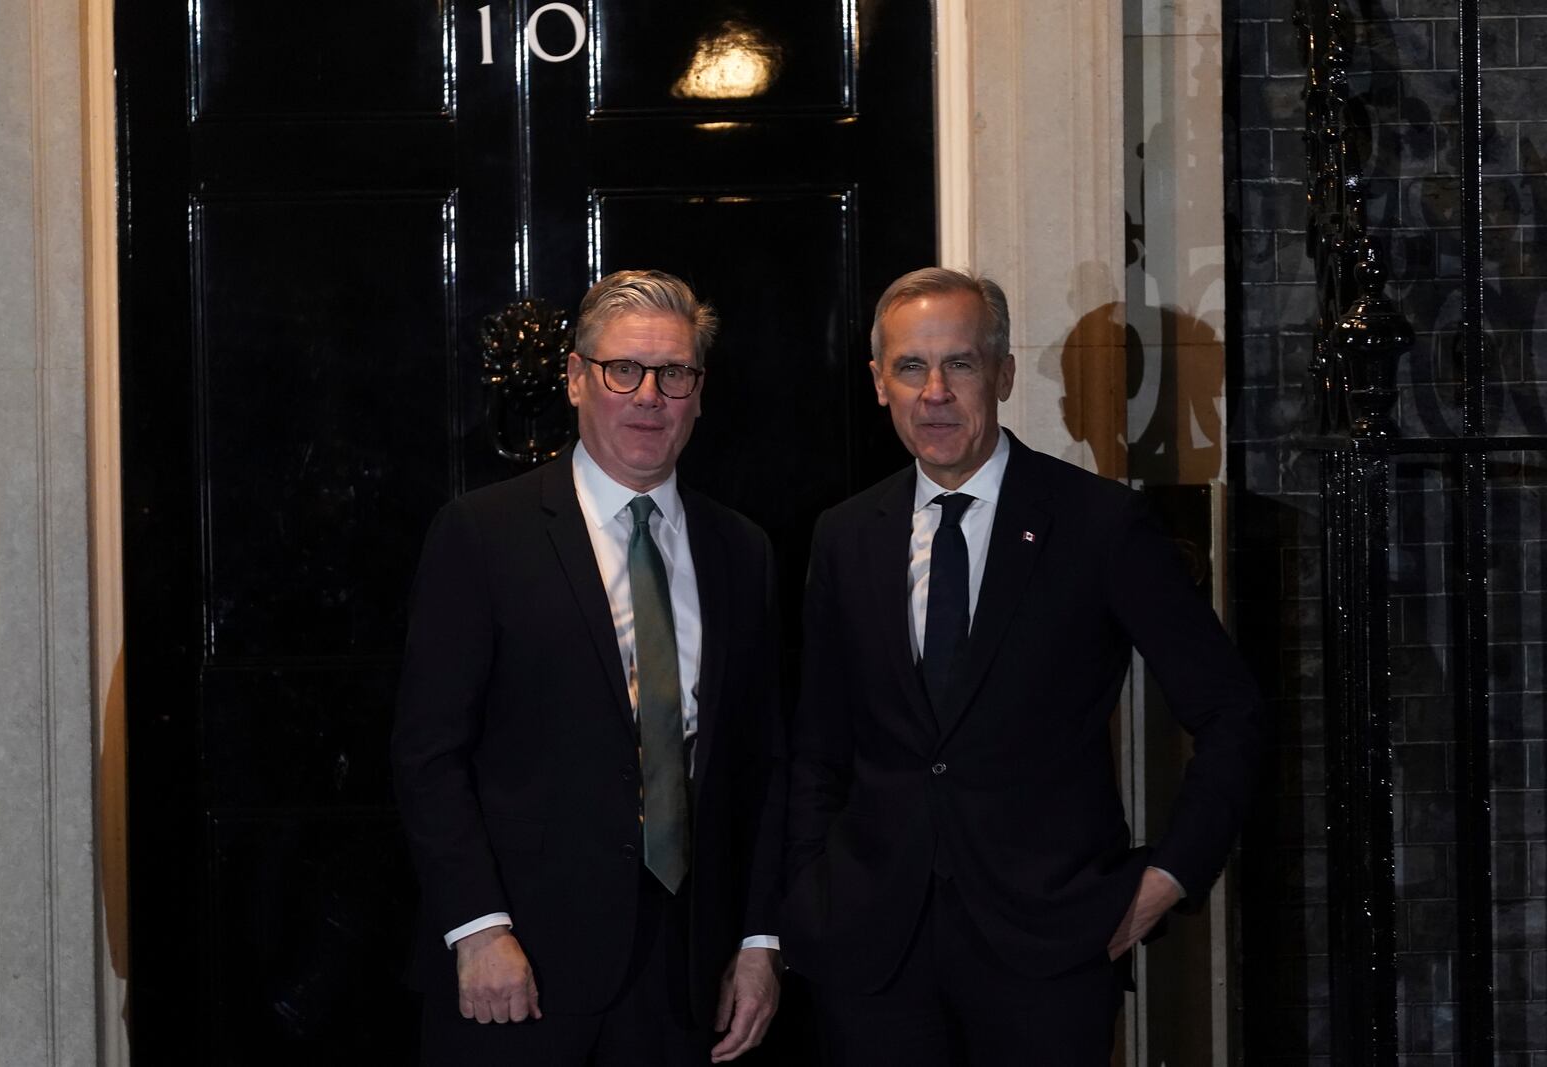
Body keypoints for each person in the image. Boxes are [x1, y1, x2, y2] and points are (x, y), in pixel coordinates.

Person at [780, 268, 1266, 1065]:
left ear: (1003, 373)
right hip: (871, 958)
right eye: (910, 367)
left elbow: (1231, 712)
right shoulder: (844, 535)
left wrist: (1168, 878)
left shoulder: (1101, 524)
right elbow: (819, 743)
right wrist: (809, 893)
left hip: (1050, 952)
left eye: (961, 364)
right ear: (879, 384)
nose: (935, 391)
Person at [392, 270, 784, 1065]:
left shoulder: (743, 550)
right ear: (576, 379)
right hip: (518, 972)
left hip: (687, 978)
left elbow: (765, 765)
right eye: (623, 370)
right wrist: (478, 927)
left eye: (674, 374)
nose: (649, 396)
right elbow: (428, 755)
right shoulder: (482, 534)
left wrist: (758, 939)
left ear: (699, 392)